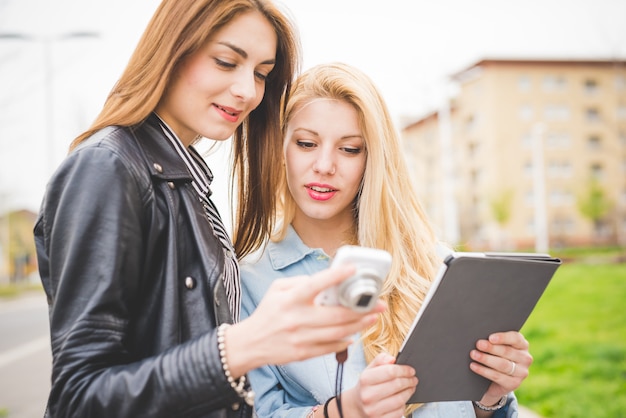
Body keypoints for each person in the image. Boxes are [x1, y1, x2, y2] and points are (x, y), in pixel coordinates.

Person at [33, 3, 384, 417]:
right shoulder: (108, 167)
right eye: (226, 61)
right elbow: (79, 397)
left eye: (261, 74)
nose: (248, 91)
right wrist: (240, 347)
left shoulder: (185, 184)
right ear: (173, 48)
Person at [240, 62, 534, 418]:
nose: (324, 165)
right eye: (306, 143)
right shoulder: (249, 280)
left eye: (349, 149)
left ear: (372, 159)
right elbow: (256, 412)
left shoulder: (436, 264)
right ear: (280, 148)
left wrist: (491, 397)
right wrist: (344, 412)